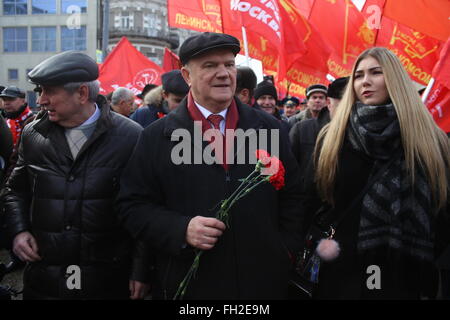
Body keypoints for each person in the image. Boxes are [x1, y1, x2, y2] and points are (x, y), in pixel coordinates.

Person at [116, 32, 303, 300]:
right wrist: (181, 229)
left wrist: (283, 250)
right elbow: (131, 206)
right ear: (187, 76)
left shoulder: (270, 127)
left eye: (229, 64)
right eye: (210, 66)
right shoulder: (156, 136)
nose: (224, 73)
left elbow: (294, 195)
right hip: (190, 284)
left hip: (261, 284)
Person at [301, 47, 450, 299]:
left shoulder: (429, 139)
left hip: (402, 271)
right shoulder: (334, 137)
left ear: (395, 80)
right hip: (341, 268)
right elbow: (311, 198)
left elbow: (442, 209)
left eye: (375, 73)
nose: (365, 81)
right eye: (358, 75)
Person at [3, 51, 150, 300]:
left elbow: (144, 208)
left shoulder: (131, 136)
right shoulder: (33, 135)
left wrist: (141, 269)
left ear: (82, 94)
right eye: (40, 91)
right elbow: (16, 190)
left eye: (49, 91)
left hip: (107, 280)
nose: (41, 101)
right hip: (44, 280)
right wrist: (18, 231)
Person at [289, 77, 348, 179]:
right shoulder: (298, 126)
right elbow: (290, 164)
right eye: (314, 97)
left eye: (321, 98)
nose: (317, 100)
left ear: (327, 102)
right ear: (307, 101)